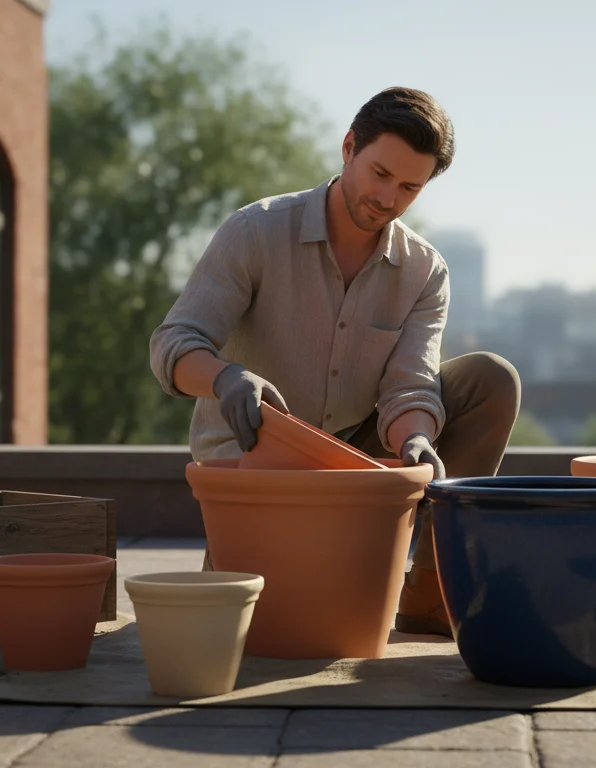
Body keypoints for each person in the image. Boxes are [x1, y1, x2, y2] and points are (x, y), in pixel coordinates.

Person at [148, 86, 520, 636]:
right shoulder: (255, 232)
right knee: (245, 632)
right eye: (379, 173)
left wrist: (416, 439)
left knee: (491, 378)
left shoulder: (424, 271)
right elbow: (173, 343)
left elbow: (410, 384)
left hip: (358, 458)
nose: (388, 198)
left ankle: (431, 592)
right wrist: (226, 377)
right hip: (259, 460)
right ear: (348, 147)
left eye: (410, 187)